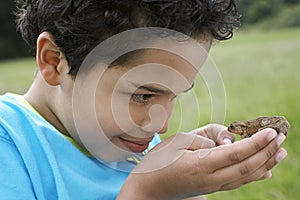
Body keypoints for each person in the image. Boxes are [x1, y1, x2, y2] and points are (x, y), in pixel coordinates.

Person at [0, 0, 287, 199]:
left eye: (175, 96)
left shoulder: (132, 141)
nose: (160, 127)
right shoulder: (10, 147)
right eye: (143, 95)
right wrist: (147, 191)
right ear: (53, 61)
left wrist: (185, 183)